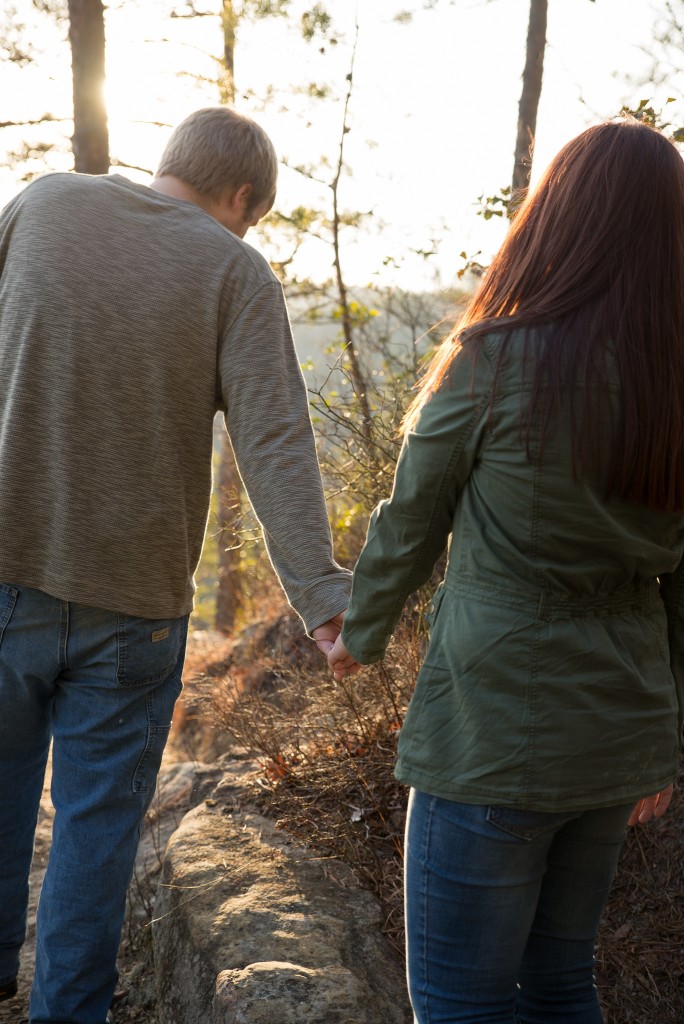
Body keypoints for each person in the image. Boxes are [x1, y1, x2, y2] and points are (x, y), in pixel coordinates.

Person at [327, 118, 684, 1024]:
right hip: (618, 730)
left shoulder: (495, 358)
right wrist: (661, 743)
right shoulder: (672, 383)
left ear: (555, 220)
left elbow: (412, 519)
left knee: (458, 1002)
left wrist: (357, 633)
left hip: (493, 729)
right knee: (561, 987)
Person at [0, 106, 350, 1024]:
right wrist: (321, 598)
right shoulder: (236, 269)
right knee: (95, 834)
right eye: (252, 217)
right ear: (241, 197)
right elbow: (275, 440)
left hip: (6, 561)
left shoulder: (40, 204)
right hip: (135, 605)